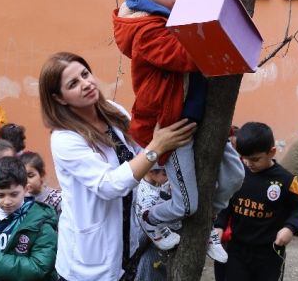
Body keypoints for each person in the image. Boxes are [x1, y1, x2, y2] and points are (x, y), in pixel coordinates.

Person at [112, 0, 244, 261]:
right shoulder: (145, 29)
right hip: (173, 127)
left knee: (235, 176)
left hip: (198, 119)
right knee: (186, 205)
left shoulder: (170, 15)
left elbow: (197, 7)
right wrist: (219, 10)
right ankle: (153, 219)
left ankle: (211, 224)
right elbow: (187, 55)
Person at [39, 52, 196, 281]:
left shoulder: (113, 111)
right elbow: (109, 185)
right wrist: (157, 147)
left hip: (124, 242)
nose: (86, 84)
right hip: (88, 263)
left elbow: (139, 153)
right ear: (60, 98)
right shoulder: (65, 139)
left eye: (85, 74)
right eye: (73, 84)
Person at [215, 122, 298, 281]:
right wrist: (220, 225)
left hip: (269, 252)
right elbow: (226, 202)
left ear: (272, 152)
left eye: (255, 159)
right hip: (237, 249)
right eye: (243, 158)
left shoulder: (286, 181)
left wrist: (290, 227)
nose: (248, 164)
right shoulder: (237, 174)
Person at [0, 156, 58, 281]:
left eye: (14, 194)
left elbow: (39, 267)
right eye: (0, 195)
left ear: (25, 189)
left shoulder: (41, 221)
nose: (7, 201)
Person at [134, 165, 170, 281]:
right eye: (165, 173)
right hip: (149, 245)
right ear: (151, 171)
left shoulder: (158, 185)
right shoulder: (147, 197)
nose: (168, 177)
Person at [19, 151, 62, 216]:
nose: (26, 181)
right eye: (22, 177)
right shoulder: (20, 200)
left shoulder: (56, 198)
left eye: (30, 176)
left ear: (41, 175)